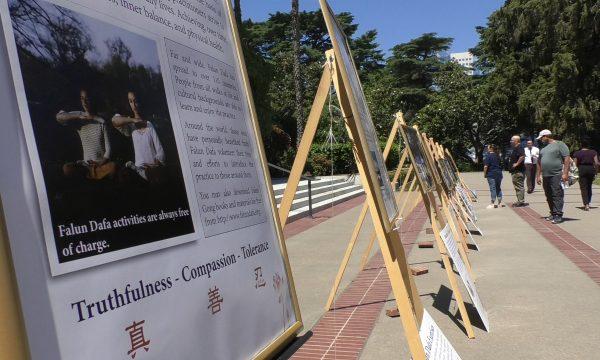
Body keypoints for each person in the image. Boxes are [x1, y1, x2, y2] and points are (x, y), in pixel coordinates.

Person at [56, 89, 116, 180]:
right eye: (82, 98)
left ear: (92, 100)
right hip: (85, 165)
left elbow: (108, 150)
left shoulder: (101, 121)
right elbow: (59, 117)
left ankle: (95, 177)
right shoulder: (79, 118)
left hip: (100, 165)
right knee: (67, 168)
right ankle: (88, 176)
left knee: (113, 166)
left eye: (87, 98)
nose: (84, 102)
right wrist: (78, 116)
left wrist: (100, 163)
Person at [112, 91, 166, 183]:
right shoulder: (130, 125)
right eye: (130, 101)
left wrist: (155, 165)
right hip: (138, 171)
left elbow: (160, 150)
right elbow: (114, 121)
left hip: (153, 168)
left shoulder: (149, 124)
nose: (134, 105)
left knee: (153, 178)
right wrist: (134, 120)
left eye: (135, 101)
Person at [536, 129, 571, 224]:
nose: (540, 140)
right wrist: (538, 175)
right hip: (546, 175)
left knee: (557, 194)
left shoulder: (560, 144)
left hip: (556, 174)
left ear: (546, 136)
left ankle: (558, 215)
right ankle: (553, 212)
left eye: (541, 138)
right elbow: (539, 162)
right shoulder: (543, 148)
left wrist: (565, 173)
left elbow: (566, 158)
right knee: (548, 195)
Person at [573, 137, 599, 211]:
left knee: (583, 187)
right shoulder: (593, 152)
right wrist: (596, 171)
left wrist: (575, 173)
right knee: (589, 186)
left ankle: (586, 204)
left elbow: (574, 164)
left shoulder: (577, 153)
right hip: (591, 168)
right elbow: (596, 163)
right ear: (588, 145)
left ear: (581, 145)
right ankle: (588, 202)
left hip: (581, 168)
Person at [483, 144, 504, 208]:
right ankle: (500, 203)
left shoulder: (488, 156)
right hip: (499, 174)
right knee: (498, 188)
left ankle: (492, 203)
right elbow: (501, 165)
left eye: (488, 147)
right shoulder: (498, 156)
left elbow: (486, 166)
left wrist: (484, 174)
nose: (487, 148)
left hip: (491, 174)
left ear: (490, 149)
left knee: (493, 188)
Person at [509, 135, 526, 207]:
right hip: (516, 171)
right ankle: (519, 200)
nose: (510, 141)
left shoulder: (519, 147)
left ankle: (521, 201)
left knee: (519, 186)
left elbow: (522, 156)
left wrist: (517, 164)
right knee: (517, 186)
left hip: (518, 171)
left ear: (516, 141)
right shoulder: (516, 148)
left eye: (512, 140)